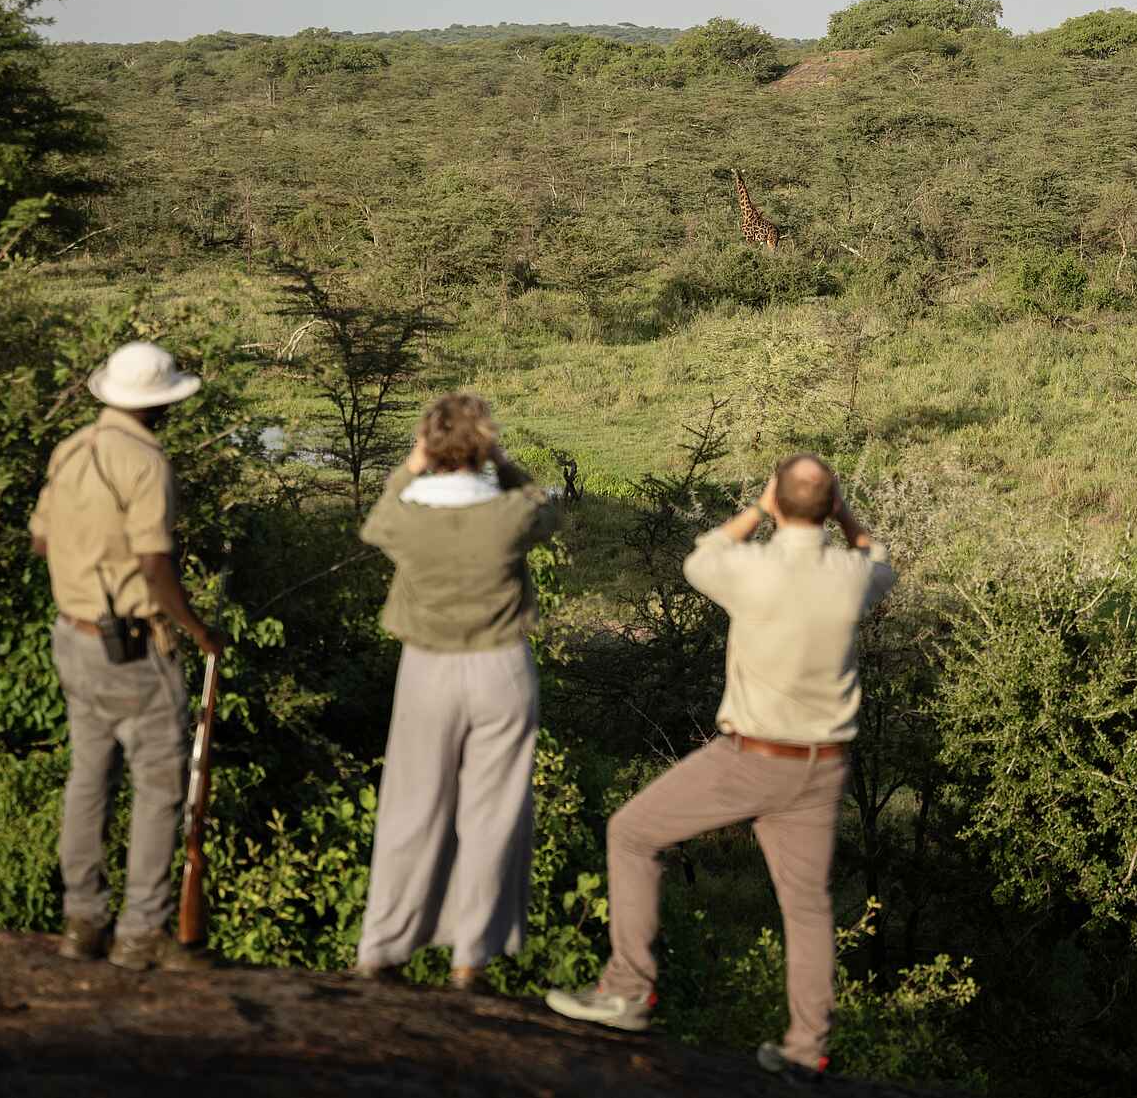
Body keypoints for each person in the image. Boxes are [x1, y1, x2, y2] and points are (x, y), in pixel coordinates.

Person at [546, 453, 896, 1084]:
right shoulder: (851, 576)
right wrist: (843, 517)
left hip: (753, 756)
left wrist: (757, 512)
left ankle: (627, 990)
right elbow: (879, 559)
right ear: (832, 507)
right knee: (809, 908)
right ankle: (806, 1048)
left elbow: (700, 556)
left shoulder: (751, 569)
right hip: (823, 768)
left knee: (631, 833)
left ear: (777, 503)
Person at [352, 393, 559, 991]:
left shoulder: (408, 515)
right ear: (485, 444)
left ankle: (383, 947)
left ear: (429, 445)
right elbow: (545, 505)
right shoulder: (511, 513)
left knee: (412, 808)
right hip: (501, 669)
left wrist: (410, 466)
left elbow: (375, 522)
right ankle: (471, 957)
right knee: (494, 815)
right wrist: (504, 462)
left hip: (428, 668)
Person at [29, 341, 224, 972]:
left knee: (89, 776)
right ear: (158, 404)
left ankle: (82, 920)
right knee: (159, 787)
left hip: (73, 635)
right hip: (134, 646)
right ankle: (141, 932)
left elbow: (40, 540)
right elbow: (153, 564)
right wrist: (197, 629)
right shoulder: (146, 462)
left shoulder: (71, 450)